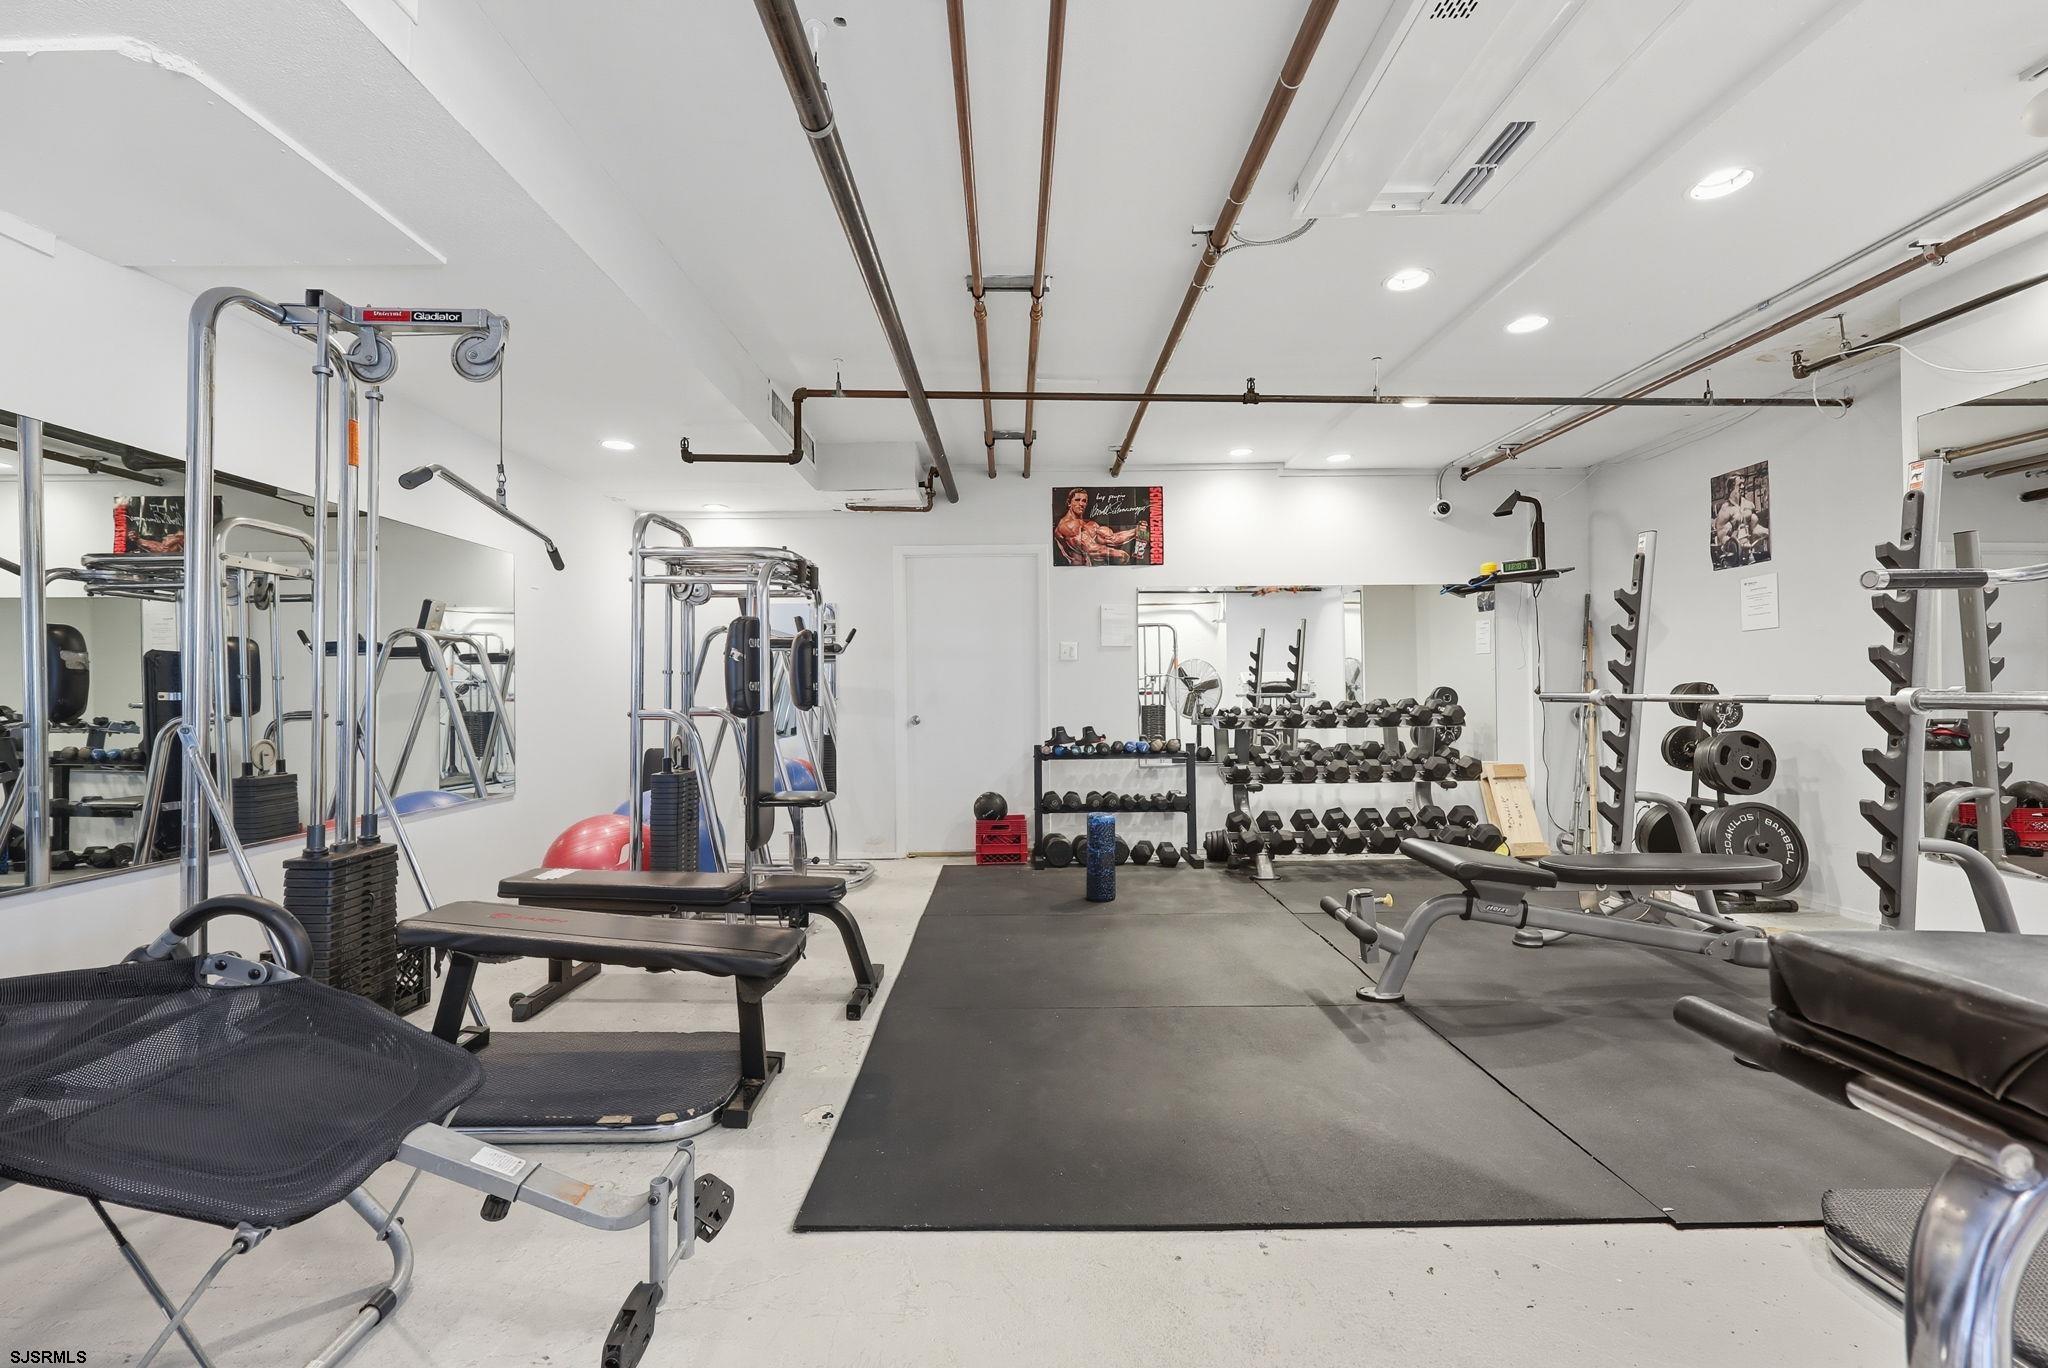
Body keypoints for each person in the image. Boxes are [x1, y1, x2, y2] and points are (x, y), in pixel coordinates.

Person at [1055, 488, 1141, 565]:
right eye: (1077, 500)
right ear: (1069, 503)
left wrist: (1136, 531)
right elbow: (1091, 550)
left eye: (1084, 501)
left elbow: (1112, 539)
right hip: (1071, 572)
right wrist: (1118, 553)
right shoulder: (1067, 526)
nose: (1081, 504)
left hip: (1090, 570)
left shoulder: (1090, 524)